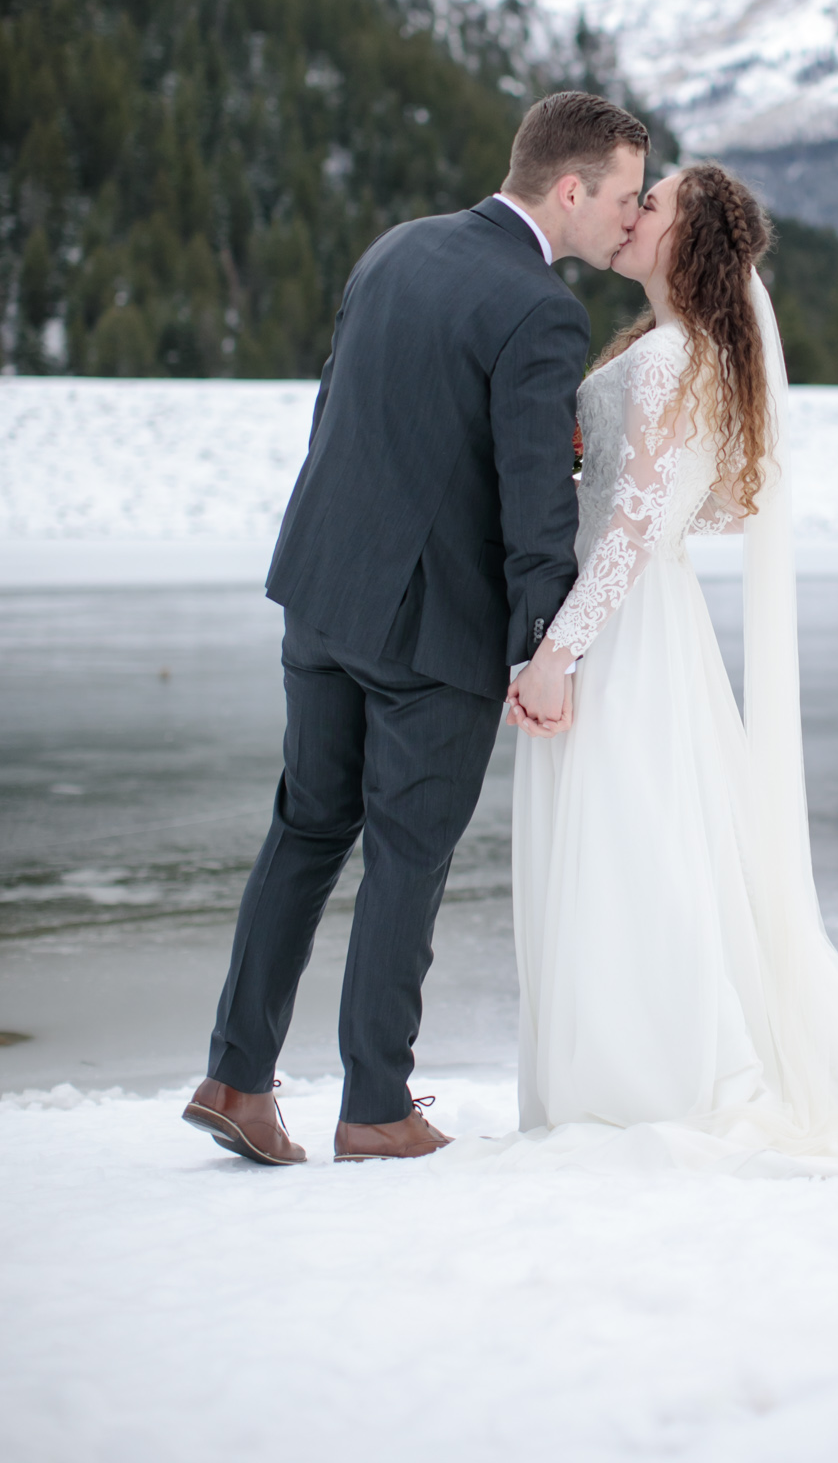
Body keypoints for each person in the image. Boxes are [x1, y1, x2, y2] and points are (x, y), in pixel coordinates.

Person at [497, 162, 838, 1174]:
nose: (634, 209)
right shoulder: (678, 354)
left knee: (633, 843)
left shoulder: (666, 362)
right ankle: (626, 1071)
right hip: (648, 621)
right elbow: (703, 505)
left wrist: (559, 652)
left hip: (622, 634)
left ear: (686, 241)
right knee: (649, 842)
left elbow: (643, 525)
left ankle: (637, 1078)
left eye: (653, 204)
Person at [182, 92, 649, 1166]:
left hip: (323, 588)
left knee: (305, 829)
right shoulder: (539, 309)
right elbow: (534, 498)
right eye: (622, 197)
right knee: (405, 855)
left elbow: (340, 412)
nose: (628, 220)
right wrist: (545, 650)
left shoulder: (396, 249)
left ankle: (235, 1078)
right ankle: (377, 1107)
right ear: (569, 188)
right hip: (429, 624)